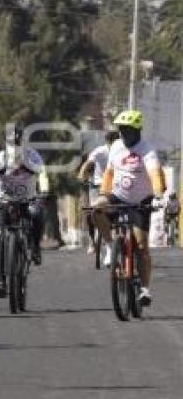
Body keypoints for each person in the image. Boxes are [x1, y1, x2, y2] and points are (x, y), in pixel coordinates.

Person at [93, 110, 169, 306]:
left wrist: (159, 196)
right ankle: (111, 247)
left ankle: (144, 289)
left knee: (142, 246)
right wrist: (103, 192)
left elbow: (154, 175)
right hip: (118, 195)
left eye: (128, 130)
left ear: (138, 130)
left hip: (141, 201)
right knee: (96, 208)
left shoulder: (147, 150)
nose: (124, 134)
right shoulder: (116, 146)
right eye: (121, 130)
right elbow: (109, 173)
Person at [0, 125, 49, 298]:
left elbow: (42, 174)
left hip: (28, 199)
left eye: (18, 140)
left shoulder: (32, 155)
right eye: (12, 141)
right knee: (2, 240)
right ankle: (2, 281)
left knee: (37, 214)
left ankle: (35, 247)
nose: (15, 143)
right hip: (4, 201)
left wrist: (44, 191)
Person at [77, 130, 119, 254]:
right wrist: (81, 175)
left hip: (116, 186)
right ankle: (92, 240)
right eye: (111, 142)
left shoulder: (123, 151)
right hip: (98, 185)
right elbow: (87, 164)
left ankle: (113, 238)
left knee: (116, 211)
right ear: (107, 142)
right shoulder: (100, 151)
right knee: (91, 212)